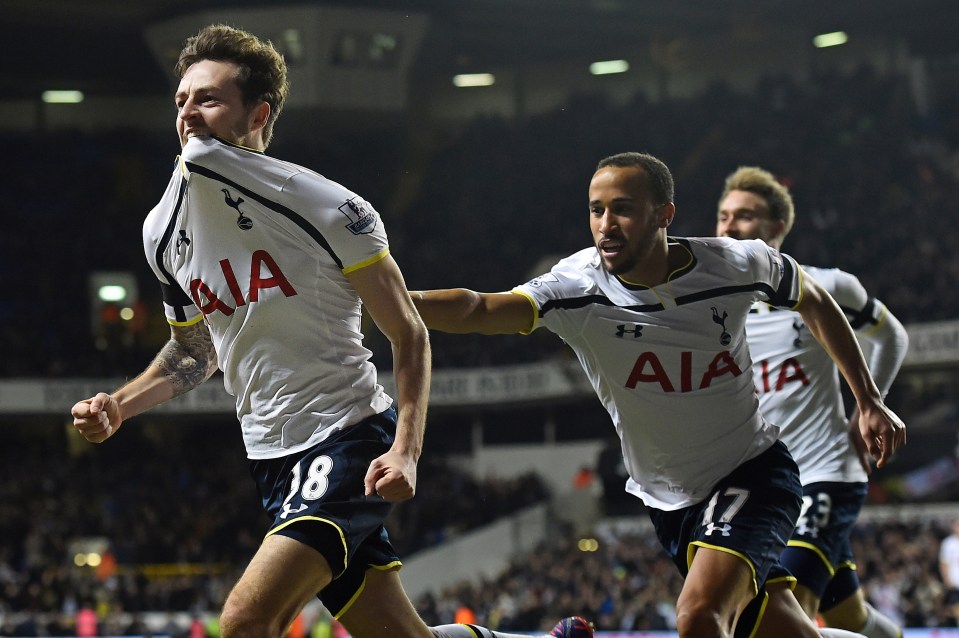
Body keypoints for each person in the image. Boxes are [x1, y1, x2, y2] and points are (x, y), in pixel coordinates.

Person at [70, 24, 591, 638]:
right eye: (181, 100)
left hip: (347, 442)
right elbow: (194, 349)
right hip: (269, 458)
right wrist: (120, 406)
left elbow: (409, 333)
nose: (188, 114)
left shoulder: (325, 205)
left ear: (259, 113)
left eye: (208, 99)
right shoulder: (162, 230)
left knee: (244, 620)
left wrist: (405, 449)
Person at [410, 151, 906, 638]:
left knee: (697, 615)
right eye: (596, 210)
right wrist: (393, 299)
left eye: (622, 208)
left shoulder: (735, 265)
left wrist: (867, 399)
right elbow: (480, 309)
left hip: (752, 474)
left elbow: (815, 300)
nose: (607, 224)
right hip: (668, 502)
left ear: (664, 214)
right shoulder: (578, 286)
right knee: (784, 631)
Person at [716, 166, 908, 638]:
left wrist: (867, 406)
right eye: (723, 216)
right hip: (770, 486)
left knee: (784, 622)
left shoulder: (824, 286)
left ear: (777, 227)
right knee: (848, 618)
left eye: (744, 216)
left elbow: (892, 336)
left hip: (826, 474)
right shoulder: (712, 307)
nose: (728, 226)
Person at [938, 519, 959, 624]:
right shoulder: (948, 543)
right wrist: (947, 580)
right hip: (954, 584)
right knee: (955, 610)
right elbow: (943, 563)